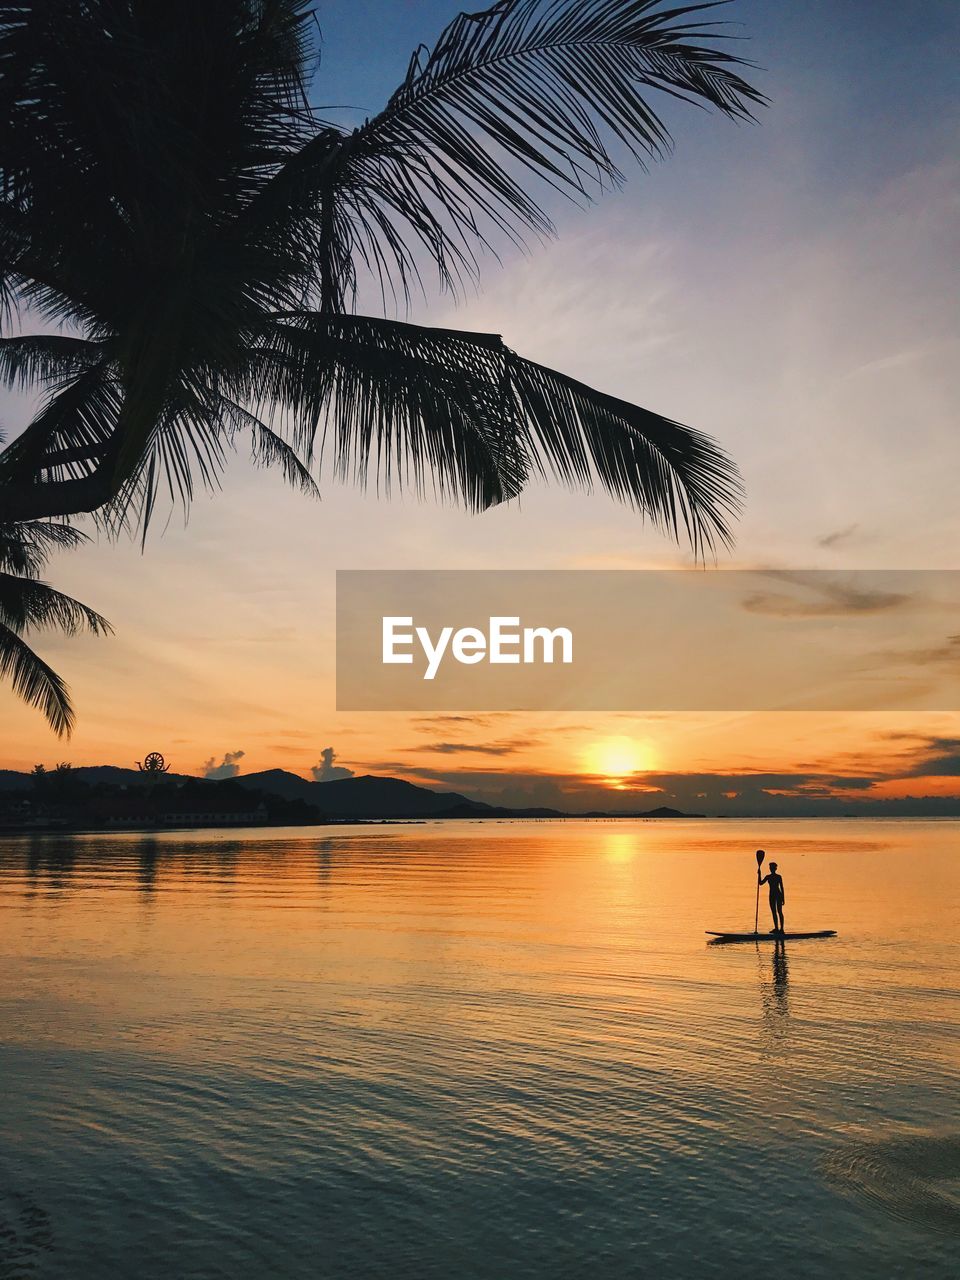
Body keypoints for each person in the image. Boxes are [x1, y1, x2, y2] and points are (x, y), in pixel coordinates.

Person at [758, 859, 785, 934]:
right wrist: (759, 874)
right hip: (772, 895)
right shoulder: (768, 877)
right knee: (773, 912)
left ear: (775, 869)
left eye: (772, 868)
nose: (771, 869)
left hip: (778, 895)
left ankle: (781, 929)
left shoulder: (779, 877)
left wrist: (783, 898)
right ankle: (776, 928)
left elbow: (782, 888)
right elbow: (760, 883)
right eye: (770, 868)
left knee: (779, 911)